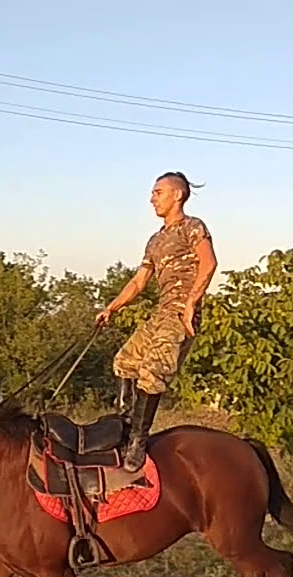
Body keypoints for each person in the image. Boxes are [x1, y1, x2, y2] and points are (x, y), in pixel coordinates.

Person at [95, 171, 218, 472]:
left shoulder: (193, 227)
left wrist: (191, 303)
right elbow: (139, 282)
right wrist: (112, 307)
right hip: (159, 313)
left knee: (152, 371)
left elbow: (210, 262)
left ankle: (138, 440)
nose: (152, 198)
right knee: (124, 362)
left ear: (177, 195)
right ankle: (124, 431)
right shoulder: (155, 240)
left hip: (178, 314)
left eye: (158, 192)